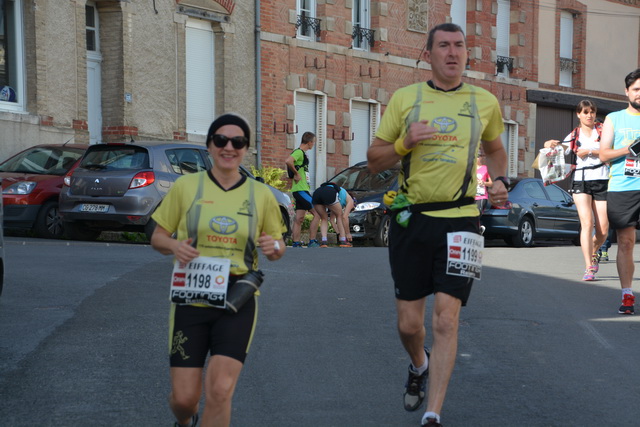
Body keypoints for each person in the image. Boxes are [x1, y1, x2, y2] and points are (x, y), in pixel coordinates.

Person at [367, 23, 508, 427]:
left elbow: (496, 151)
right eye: (443, 46)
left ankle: (433, 412)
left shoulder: (484, 102)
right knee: (409, 325)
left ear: (467, 54)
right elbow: (375, 159)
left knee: (446, 318)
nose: (452, 52)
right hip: (412, 218)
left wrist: (500, 181)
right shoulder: (405, 99)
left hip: (463, 219)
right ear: (427, 54)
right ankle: (418, 363)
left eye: (459, 46)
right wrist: (403, 144)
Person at [150, 113, 286, 426]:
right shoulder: (186, 187)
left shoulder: (261, 195)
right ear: (210, 145)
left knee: (221, 390)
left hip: (237, 298)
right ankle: (185, 420)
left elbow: (277, 247)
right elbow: (158, 236)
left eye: (237, 142)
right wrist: (174, 246)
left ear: (246, 148)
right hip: (191, 295)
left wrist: (274, 249)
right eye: (221, 140)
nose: (229, 147)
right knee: (184, 400)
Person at [543, 100, 609, 281]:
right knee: (587, 223)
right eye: (585, 112)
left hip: (602, 178)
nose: (589, 115)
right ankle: (588, 267)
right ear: (578, 114)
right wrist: (550, 144)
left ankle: (594, 250)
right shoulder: (574, 134)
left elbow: (610, 151)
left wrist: (590, 151)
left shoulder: (603, 130)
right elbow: (559, 150)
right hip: (581, 181)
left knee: (603, 229)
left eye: (592, 112)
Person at [599, 68, 640, 315]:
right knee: (625, 242)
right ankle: (627, 294)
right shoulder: (615, 118)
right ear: (627, 92)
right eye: (636, 89)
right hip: (623, 188)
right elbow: (604, 154)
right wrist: (629, 149)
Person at [286, 132, 321, 247]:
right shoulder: (299, 152)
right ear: (309, 142)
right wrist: (296, 174)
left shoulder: (303, 154)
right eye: (313, 142)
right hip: (300, 190)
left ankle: (296, 242)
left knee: (299, 218)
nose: (314, 144)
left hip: (300, 189)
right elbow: (288, 161)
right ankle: (312, 241)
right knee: (317, 213)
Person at [311, 182, 351, 247]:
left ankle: (324, 241)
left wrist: (338, 233)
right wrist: (348, 233)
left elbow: (332, 219)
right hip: (329, 193)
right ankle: (343, 240)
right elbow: (344, 217)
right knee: (339, 215)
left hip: (317, 193)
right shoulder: (350, 200)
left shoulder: (337, 192)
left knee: (324, 218)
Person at [475, 153, 492, 235]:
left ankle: (478, 230)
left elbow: (491, 183)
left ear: (481, 158)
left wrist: (484, 183)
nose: (476, 158)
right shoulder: (470, 170)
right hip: (471, 196)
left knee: (477, 214)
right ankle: (479, 229)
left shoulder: (485, 169)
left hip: (481, 197)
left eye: (478, 156)